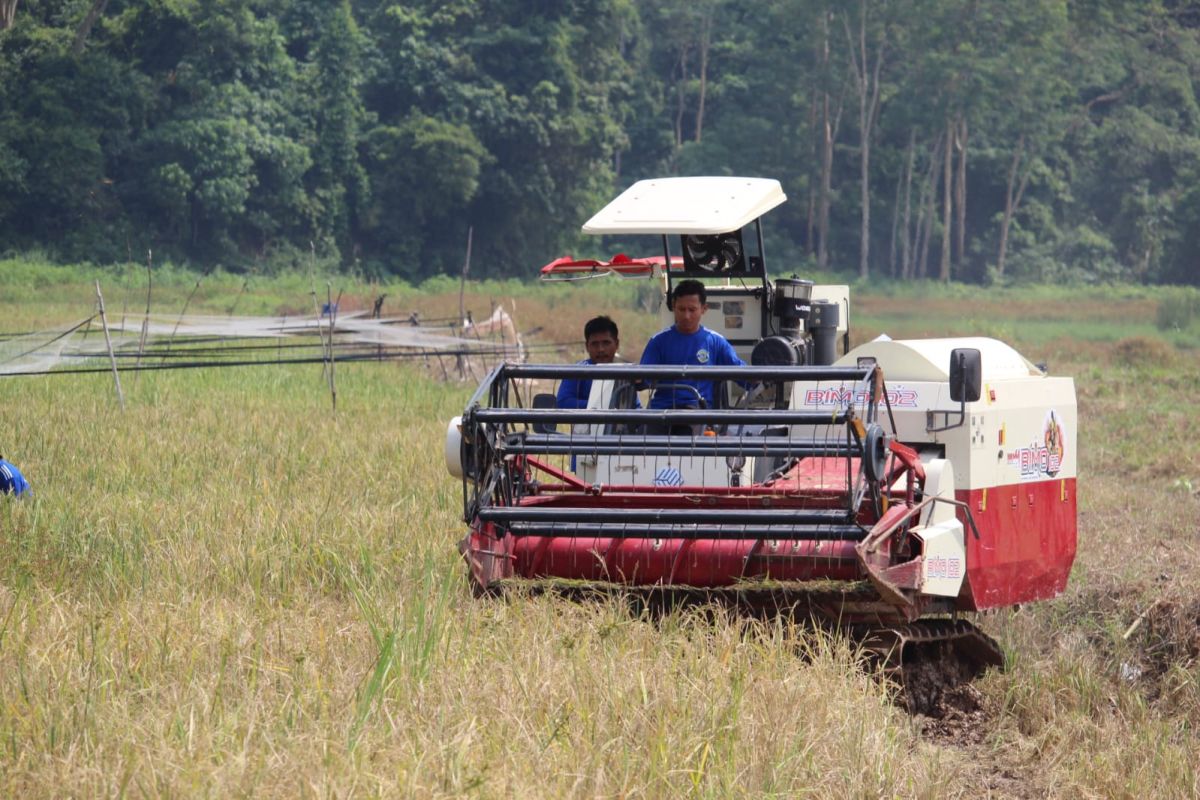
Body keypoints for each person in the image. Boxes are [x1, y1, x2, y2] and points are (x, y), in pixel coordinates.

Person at [639, 279, 746, 410]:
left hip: (698, 413)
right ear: (673, 306)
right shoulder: (658, 341)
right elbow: (642, 380)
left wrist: (764, 381)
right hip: (661, 411)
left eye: (692, 310)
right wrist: (637, 380)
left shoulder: (716, 342)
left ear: (703, 309)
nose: (686, 316)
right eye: (682, 309)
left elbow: (744, 375)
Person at [556, 315, 623, 409]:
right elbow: (563, 402)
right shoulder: (578, 371)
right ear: (587, 346)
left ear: (616, 344)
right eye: (595, 344)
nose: (601, 349)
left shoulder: (624, 372)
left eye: (606, 343)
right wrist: (601, 406)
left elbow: (635, 407)